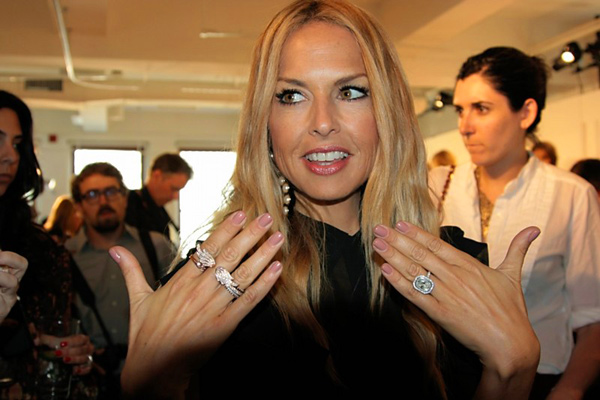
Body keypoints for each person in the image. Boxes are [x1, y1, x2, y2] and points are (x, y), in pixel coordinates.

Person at [111, 1, 541, 398]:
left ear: (388, 112)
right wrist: (148, 387)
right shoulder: (216, 280)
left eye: (350, 91)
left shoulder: (457, 271)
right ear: (265, 122)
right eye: (292, 95)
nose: (322, 122)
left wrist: (513, 369)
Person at [430, 47, 600, 399]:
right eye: (460, 110)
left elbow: (592, 318)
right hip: (449, 381)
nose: (465, 126)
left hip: (540, 381)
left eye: (481, 108)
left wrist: (569, 389)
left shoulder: (571, 195)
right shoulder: (438, 186)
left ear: (525, 112)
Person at [0, 90, 94, 395]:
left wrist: (67, 351)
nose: (10, 156)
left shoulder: (40, 248)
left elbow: (49, 335)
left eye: (17, 144)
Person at [66, 162, 174, 383]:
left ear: (124, 198)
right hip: (91, 378)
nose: (103, 202)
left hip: (153, 372)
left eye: (111, 192)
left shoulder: (157, 245)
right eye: (92, 195)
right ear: (79, 206)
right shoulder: (66, 255)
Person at [125, 153, 192, 243]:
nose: (176, 197)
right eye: (173, 189)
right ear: (157, 176)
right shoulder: (127, 205)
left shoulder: (159, 211)